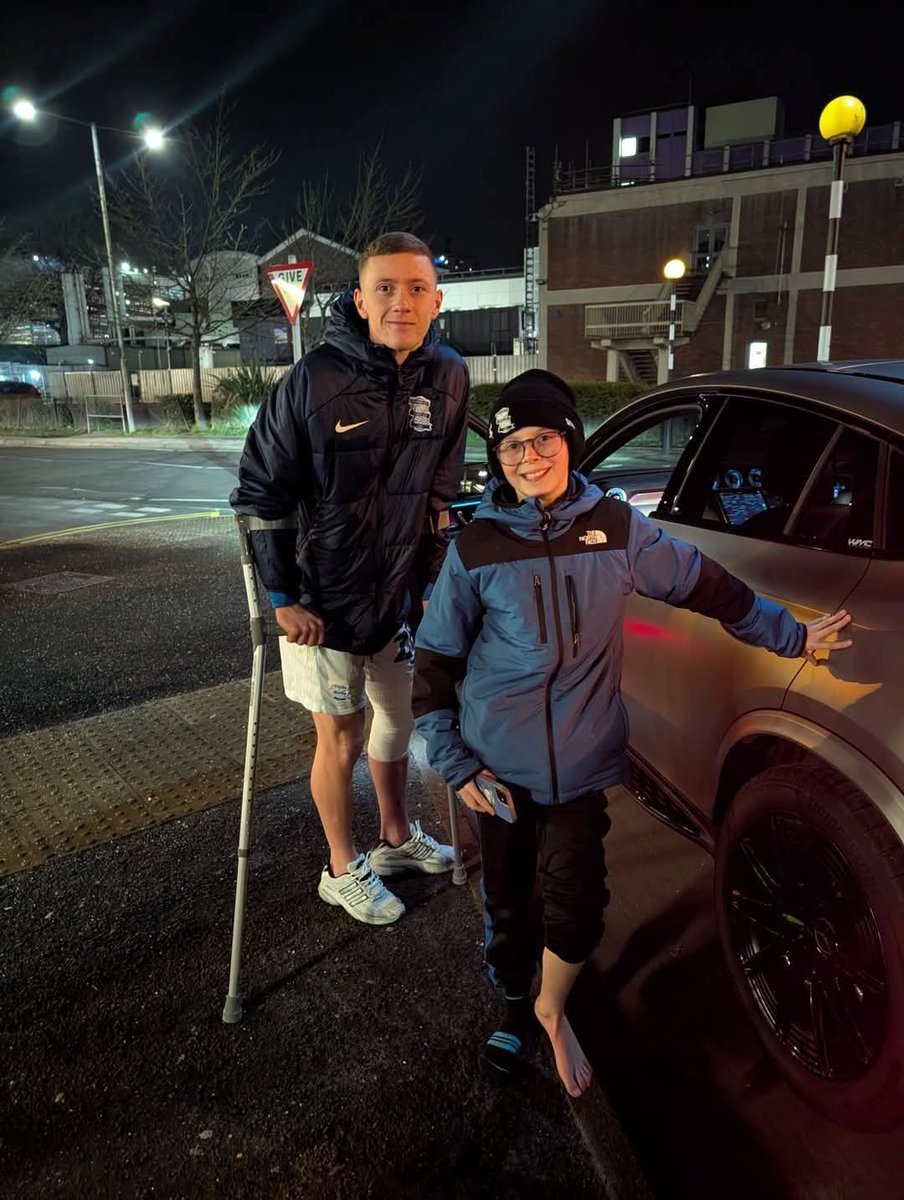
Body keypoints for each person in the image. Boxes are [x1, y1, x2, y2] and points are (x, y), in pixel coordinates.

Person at [412, 368, 852, 1096]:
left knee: (578, 903)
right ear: (497, 459)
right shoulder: (478, 548)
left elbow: (708, 584)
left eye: (543, 439)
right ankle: (518, 1006)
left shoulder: (616, 528)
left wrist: (791, 636)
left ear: (571, 441)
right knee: (510, 901)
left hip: (582, 765)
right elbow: (433, 668)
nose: (528, 458)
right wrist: (458, 766)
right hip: (496, 769)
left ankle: (553, 1011)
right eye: (512, 447)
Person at [230, 232, 470, 926]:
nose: (402, 301)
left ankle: (395, 839)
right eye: (386, 288)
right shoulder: (313, 380)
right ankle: (341, 867)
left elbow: (440, 494)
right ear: (360, 299)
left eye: (416, 288)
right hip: (322, 603)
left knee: (398, 723)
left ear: (437, 300)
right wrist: (283, 599)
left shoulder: (448, 375)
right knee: (340, 735)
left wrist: (430, 584)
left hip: (396, 599)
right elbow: (260, 494)